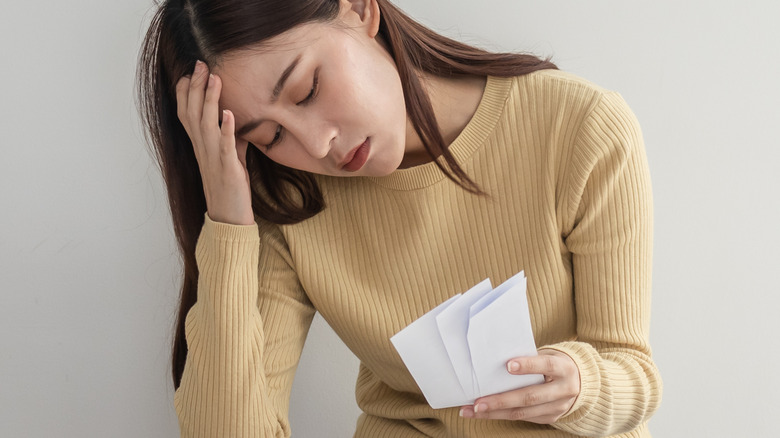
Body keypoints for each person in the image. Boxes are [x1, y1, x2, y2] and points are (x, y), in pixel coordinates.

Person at [136, 0, 662, 436]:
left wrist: (578, 385)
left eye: (307, 90)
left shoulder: (578, 129)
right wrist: (228, 219)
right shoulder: (294, 205)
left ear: (359, 10)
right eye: (270, 137)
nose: (317, 144)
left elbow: (633, 374)